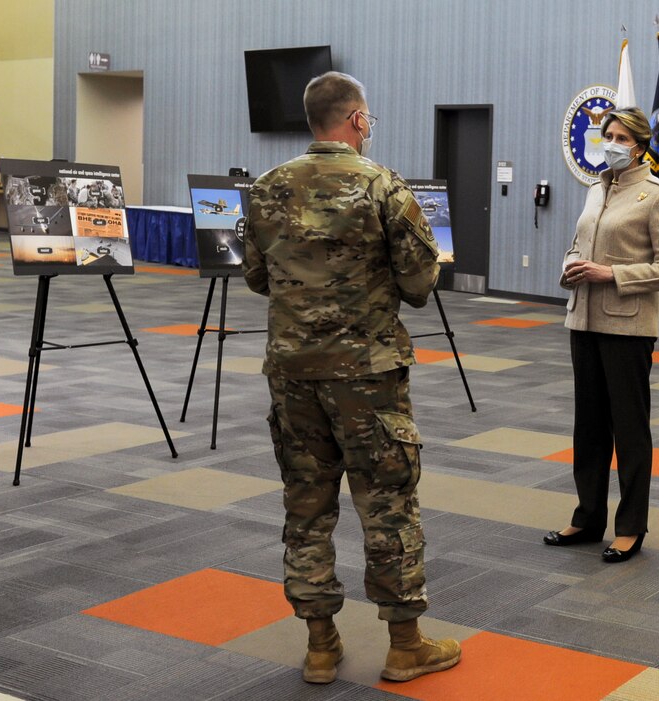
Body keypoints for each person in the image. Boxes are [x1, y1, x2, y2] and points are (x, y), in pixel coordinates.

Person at [242, 71, 460, 684]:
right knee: (387, 502)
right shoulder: (383, 187)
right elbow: (420, 286)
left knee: (306, 506)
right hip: (367, 377)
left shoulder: (265, 189)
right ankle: (405, 644)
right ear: (357, 120)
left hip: (292, 375)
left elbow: (258, 277)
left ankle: (320, 644)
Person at [543, 107, 659, 563]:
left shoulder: (658, 195)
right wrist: (571, 265)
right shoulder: (595, 188)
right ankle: (587, 517)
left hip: (627, 327)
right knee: (587, 427)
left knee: (628, 429)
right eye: (608, 135)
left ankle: (630, 527)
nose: (612, 143)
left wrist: (610, 273)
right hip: (582, 319)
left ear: (640, 146)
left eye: (622, 137)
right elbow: (579, 243)